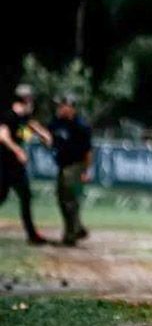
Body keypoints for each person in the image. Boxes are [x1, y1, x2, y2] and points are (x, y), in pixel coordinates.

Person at [37, 95, 92, 246]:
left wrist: (86, 171)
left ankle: (72, 232)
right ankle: (76, 229)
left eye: (62, 106)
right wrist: (31, 130)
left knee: (68, 194)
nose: (59, 108)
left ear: (71, 108)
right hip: (63, 164)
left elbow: (88, 152)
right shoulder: (56, 123)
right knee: (63, 199)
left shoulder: (81, 125)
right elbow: (46, 138)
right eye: (59, 106)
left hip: (77, 164)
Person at [0, 85, 49, 244]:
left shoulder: (24, 120)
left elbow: (25, 133)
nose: (32, 103)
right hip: (4, 165)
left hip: (16, 168)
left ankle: (32, 235)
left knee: (26, 197)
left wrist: (41, 133)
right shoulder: (9, 115)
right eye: (31, 99)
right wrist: (18, 151)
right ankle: (32, 234)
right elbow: (3, 136)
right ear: (26, 99)